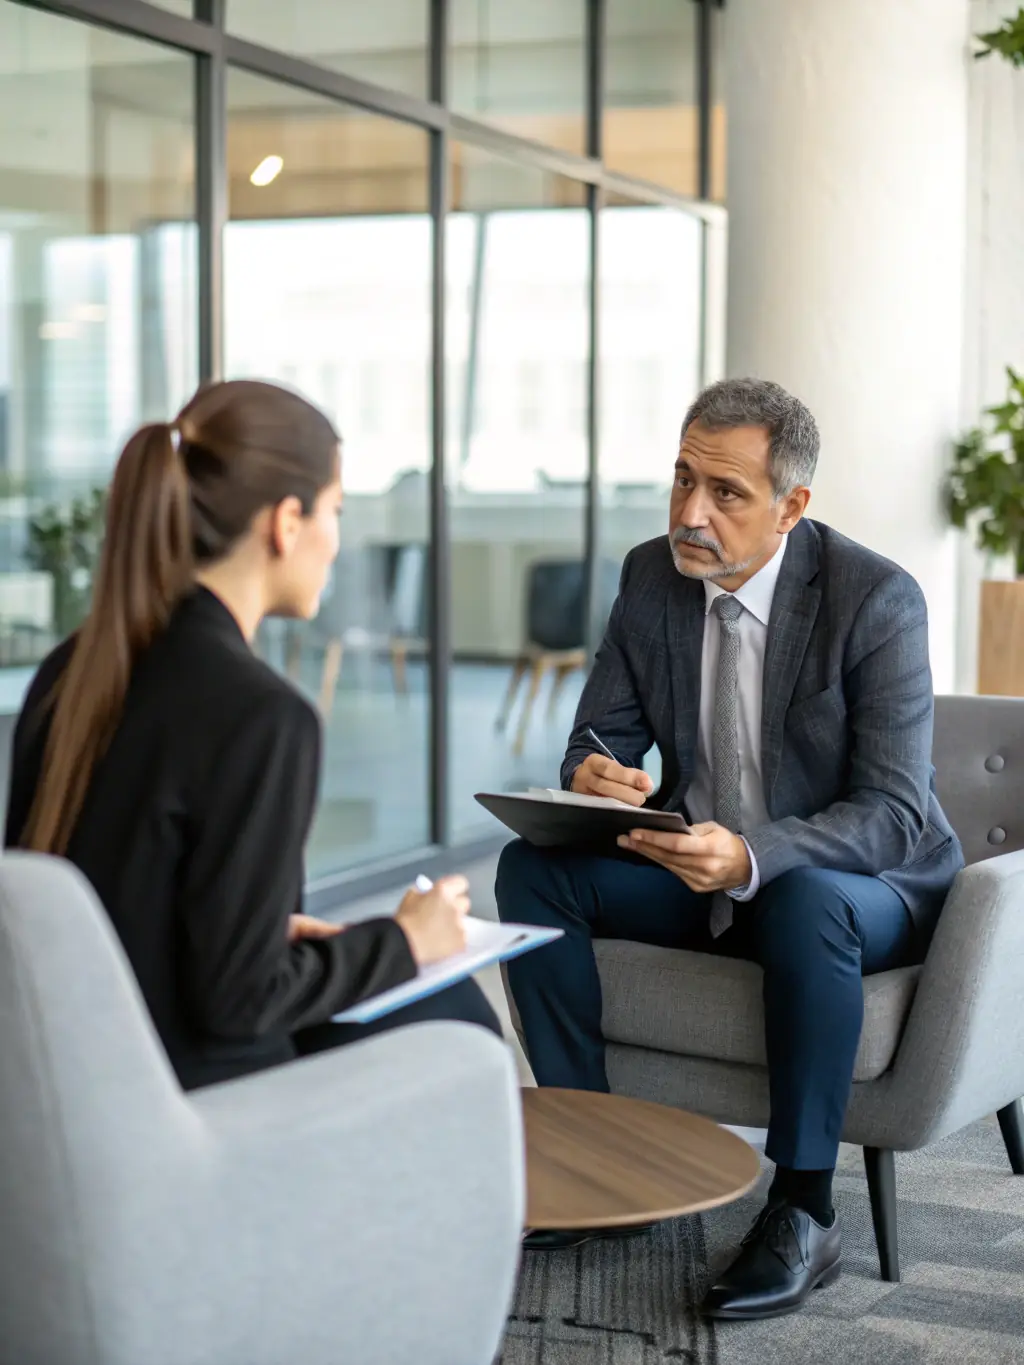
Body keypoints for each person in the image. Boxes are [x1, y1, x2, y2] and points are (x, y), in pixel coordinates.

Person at [495, 377, 963, 1319]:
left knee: (803, 898)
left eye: (726, 493)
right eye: (680, 480)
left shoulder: (876, 599)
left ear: (792, 506)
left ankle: (801, 1209)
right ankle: (604, 1160)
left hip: (861, 888)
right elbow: (599, 738)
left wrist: (752, 857)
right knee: (533, 870)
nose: (691, 513)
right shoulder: (649, 576)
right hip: (693, 862)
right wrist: (597, 770)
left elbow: (894, 813)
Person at [5, 379, 500, 1091]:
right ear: (286, 521)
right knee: (457, 1017)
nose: (337, 540)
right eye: (334, 510)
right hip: (194, 1098)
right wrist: (403, 939)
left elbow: (120, 903)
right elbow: (240, 1004)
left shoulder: (74, 668)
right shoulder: (260, 716)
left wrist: (279, 933)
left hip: (78, 1073)